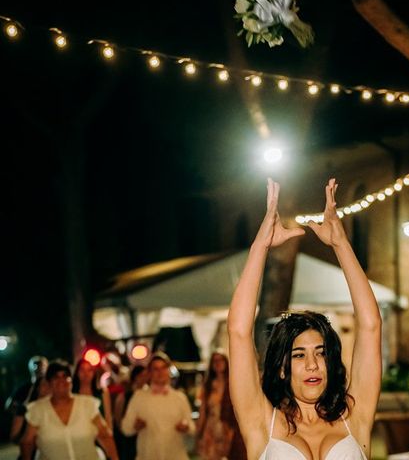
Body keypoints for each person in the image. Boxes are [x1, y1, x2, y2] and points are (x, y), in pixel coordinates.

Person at [228, 178, 382, 460]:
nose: (313, 364)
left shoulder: (355, 418)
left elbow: (371, 325)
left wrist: (341, 244)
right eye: (299, 355)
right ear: (282, 368)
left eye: (320, 353)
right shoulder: (262, 423)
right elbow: (238, 331)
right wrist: (261, 246)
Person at [20, 359, 119, 460]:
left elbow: (105, 435)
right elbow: (27, 442)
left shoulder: (87, 404)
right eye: (56, 377)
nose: (61, 380)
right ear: (49, 382)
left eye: (65, 376)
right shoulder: (38, 409)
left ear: (71, 380)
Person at [120, 352, 195, 460]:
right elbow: (125, 428)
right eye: (156, 369)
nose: (160, 372)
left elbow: (192, 427)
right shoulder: (139, 396)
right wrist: (135, 426)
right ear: (150, 373)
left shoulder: (179, 397)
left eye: (163, 368)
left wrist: (186, 427)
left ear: (168, 370)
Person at [197, 352, 246, 460]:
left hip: (228, 427)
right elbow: (204, 410)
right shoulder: (209, 385)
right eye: (215, 361)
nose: (218, 363)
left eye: (221, 360)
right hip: (211, 427)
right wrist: (199, 432)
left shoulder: (233, 384)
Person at [6, 356, 50, 455]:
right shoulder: (24, 388)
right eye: (36, 366)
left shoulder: (53, 387)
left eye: (42, 366)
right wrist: (23, 411)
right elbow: (9, 406)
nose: (39, 369)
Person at [113, 365, 148, 460]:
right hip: (129, 438)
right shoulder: (126, 395)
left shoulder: (149, 394)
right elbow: (118, 417)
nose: (145, 378)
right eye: (142, 375)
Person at [72, 358, 114, 429]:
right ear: (77, 373)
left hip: (99, 434)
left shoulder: (102, 393)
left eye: (89, 370)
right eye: (82, 370)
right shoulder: (72, 395)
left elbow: (108, 417)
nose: (86, 374)